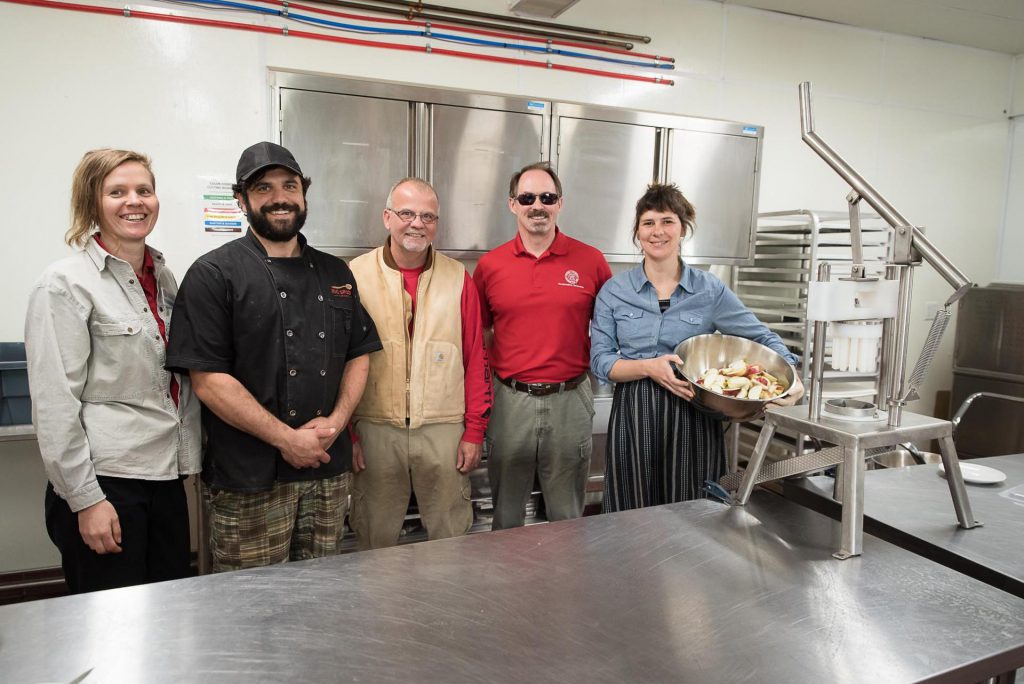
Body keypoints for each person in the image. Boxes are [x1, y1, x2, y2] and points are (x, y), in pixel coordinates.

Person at [166, 142, 381, 571]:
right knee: (254, 608)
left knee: (323, 597)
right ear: (241, 199)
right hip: (250, 480)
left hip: (325, 469)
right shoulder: (213, 274)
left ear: (304, 193)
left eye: (290, 185)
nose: (279, 197)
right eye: (263, 188)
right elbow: (208, 380)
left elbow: (359, 352)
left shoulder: (337, 272)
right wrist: (288, 440)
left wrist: (336, 422)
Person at [25, 149, 201, 593]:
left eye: (144, 190)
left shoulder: (164, 279)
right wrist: (86, 501)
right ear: (92, 203)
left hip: (164, 478)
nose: (134, 201)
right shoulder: (64, 284)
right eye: (116, 192)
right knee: (110, 634)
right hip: (107, 484)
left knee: (169, 618)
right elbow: (54, 404)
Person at [590, 183, 804, 512]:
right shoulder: (614, 291)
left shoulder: (709, 290)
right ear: (637, 232)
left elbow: (759, 336)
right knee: (631, 512)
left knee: (693, 513)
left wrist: (791, 375)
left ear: (682, 228)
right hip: (635, 413)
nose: (657, 231)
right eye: (648, 223)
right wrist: (648, 367)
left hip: (694, 414)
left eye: (667, 221)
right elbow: (601, 361)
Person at [347, 178, 491, 550]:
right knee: (374, 540)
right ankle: (379, 609)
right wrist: (349, 435)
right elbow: (338, 362)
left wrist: (474, 431)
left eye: (428, 216)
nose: (417, 223)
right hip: (376, 428)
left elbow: (477, 358)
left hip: (444, 430)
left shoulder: (459, 278)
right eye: (407, 213)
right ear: (387, 217)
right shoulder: (354, 277)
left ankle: (446, 608)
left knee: (450, 539)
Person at [474, 162, 612, 530]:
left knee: (566, 517)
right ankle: (507, 586)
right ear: (512, 204)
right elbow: (482, 334)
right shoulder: (490, 266)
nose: (538, 205)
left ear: (560, 204)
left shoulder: (591, 261)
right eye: (528, 197)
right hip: (509, 402)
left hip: (570, 399)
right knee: (505, 515)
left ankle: (564, 585)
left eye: (547, 197)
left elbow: (608, 327)